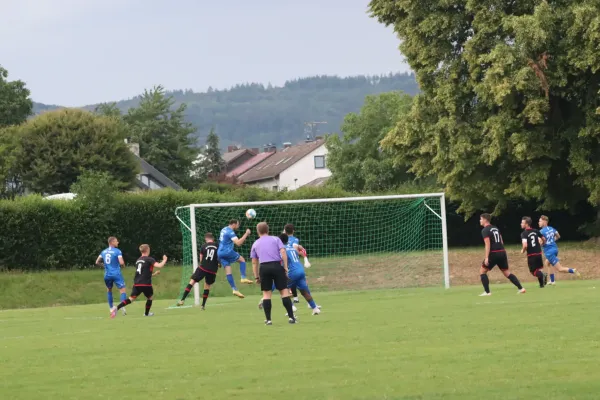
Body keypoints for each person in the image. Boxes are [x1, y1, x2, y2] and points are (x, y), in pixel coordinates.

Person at [251, 222, 297, 325]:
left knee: (266, 294)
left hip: (264, 267)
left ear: (258, 231)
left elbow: (254, 262)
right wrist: (285, 267)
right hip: (276, 266)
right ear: (268, 230)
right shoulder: (276, 239)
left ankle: (269, 320)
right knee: (284, 292)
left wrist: (256, 277)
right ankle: (291, 318)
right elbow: (283, 252)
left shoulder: (255, 243)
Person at [111, 244, 167, 318]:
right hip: (146, 284)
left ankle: (116, 308)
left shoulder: (138, 260)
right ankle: (146, 314)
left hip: (137, 283)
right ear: (147, 250)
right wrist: (165, 259)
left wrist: (154, 274)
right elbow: (159, 265)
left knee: (131, 299)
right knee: (150, 298)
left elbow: (143, 274)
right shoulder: (149, 259)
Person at [479, 213, 526, 296]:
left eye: (481, 219)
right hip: (502, 251)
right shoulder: (496, 228)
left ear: (485, 220)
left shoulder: (485, 230)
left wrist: (486, 257)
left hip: (493, 253)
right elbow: (501, 241)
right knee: (506, 272)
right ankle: (521, 288)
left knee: (482, 271)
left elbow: (487, 244)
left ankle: (487, 292)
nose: (480, 221)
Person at [279, 233, 321, 315]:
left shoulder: (282, 249)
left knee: (283, 290)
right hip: (301, 270)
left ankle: (291, 308)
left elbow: (284, 261)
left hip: (293, 272)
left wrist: (283, 271)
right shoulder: (292, 248)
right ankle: (315, 309)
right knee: (304, 291)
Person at [178, 233, 220, 309]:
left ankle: (182, 299)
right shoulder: (217, 245)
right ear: (213, 239)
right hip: (213, 270)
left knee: (192, 281)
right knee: (207, 285)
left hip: (203, 267)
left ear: (206, 239)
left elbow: (201, 258)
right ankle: (203, 305)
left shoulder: (204, 246)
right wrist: (219, 263)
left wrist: (203, 264)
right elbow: (219, 256)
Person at [539, 215, 580, 285]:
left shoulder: (541, 231)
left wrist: (540, 245)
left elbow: (540, 242)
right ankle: (552, 281)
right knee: (547, 263)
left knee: (560, 269)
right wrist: (552, 241)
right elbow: (558, 236)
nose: (538, 222)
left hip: (549, 252)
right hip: (555, 249)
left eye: (540, 221)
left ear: (544, 222)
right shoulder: (551, 228)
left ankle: (573, 270)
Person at [218, 219, 252, 298]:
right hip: (227, 251)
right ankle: (243, 277)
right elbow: (238, 243)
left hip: (220, 253)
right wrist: (246, 233)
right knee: (242, 260)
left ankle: (234, 289)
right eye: (238, 224)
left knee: (228, 271)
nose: (238, 226)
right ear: (234, 224)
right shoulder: (230, 231)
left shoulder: (224, 229)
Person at [95, 237, 128, 316]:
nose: (118, 242)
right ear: (112, 242)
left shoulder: (103, 251)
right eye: (116, 241)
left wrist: (105, 266)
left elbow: (97, 262)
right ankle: (122, 307)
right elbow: (121, 262)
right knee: (122, 290)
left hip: (107, 274)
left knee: (109, 290)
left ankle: (111, 308)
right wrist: (123, 266)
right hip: (116, 274)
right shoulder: (117, 251)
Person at [520, 217, 547, 288]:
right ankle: (542, 285)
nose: (521, 224)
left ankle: (542, 275)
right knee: (538, 269)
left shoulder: (524, 233)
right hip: (538, 253)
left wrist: (522, 250)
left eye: (522, 223)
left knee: (533, 271)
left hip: (531, 255)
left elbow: (525, 245)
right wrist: (542, 243)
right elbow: (543, 239)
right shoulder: (535, 231)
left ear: (526, 224)